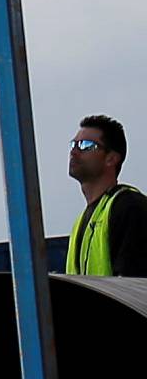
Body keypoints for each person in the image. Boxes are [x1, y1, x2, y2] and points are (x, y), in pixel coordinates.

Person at [65, 115, 147, 276]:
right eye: (73, 145)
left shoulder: (130, 208)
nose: (74, 152)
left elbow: (134, 287)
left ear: (111, 159)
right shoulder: (80, 223)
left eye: (86, 145)